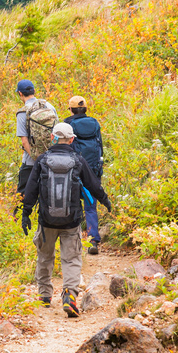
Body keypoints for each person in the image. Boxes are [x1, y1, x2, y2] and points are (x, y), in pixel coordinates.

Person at [21, 122, 111, 317]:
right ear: (71, 140)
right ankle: (69, 295)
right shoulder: (78, 160)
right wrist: (105, 200)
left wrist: (26, 213)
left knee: (45, 256)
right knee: (71, 259)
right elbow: (93, 185)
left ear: (52, 137)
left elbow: (31, 189)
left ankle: (44, 296)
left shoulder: (43, 160)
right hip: (71, 221)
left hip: (46, 221)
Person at [64, 95, 105, 254]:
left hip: (75, 169)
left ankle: (73, 243)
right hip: (93, 170)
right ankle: (93, 240)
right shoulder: (94, 123)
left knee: (72, 205)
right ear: (86, 109)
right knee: (90, 206)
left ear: (71, 109)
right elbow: (100, 146)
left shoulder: (68, 124)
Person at [15, 79, 58, 198]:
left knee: (23, 195)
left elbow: (24, 141)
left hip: (30, 162)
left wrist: (37, 159)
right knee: (47, 195)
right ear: (34, 90)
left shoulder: (22, 112)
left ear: (20, 93)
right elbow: (56, 131)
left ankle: (19, 216)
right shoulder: (49, 106)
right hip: (51, 160)